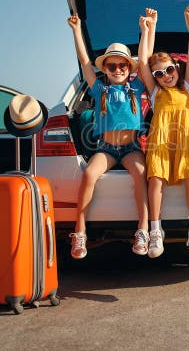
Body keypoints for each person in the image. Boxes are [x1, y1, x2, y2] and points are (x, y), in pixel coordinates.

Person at [67, 14, 149, 259]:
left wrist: (145, 30)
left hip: (131, 148)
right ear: (104, 68)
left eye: (122, 66)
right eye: (112, 66)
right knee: (90, 174)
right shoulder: (99, 89)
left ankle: (143, 231)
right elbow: (84, 62)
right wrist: (77, 29)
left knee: (142, 174)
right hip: (106, 149)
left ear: (128, 69)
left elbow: (143, 60)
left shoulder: (136, 87)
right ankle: (79, 232)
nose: (117, 70)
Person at [135, 6, 189, 257]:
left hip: (185, 141)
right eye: (159, 73)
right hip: (160, 142)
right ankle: (155, 231)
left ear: (177, 67)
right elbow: (142, 62)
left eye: (170, 70)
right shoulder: (156, 93)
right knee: (155, 180)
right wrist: (147, 30)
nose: (165, 76)